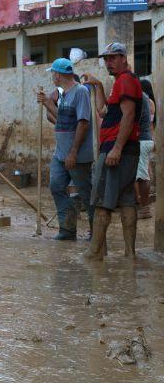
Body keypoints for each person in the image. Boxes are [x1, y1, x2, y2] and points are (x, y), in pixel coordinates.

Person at [82, 42, 142, 260]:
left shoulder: (126, 80)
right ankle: (130, 255)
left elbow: (128, 115)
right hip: (127, 150)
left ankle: (94, 254)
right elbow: (103, 111)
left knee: (101, 202)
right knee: (127, 200)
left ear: (124, 58)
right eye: (106, 59)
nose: (109, 62)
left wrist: (116, 148)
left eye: (113, 58)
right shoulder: (123, 82)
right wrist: (97, 85)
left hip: (116, 150)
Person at [37, 58, 94, 241]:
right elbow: (61, 118)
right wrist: (47, 102)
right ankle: (68, 230)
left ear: (58, 74)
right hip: (60, 153)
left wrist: (73, 151)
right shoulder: (63, 93)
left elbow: (83, 123)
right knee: (56, 186)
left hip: (76, 155)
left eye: (53, 73)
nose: (52, 77)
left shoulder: (80, 92)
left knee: (86, 193)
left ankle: (97, 233)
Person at [136, 79, 155, 219]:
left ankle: (144, 207)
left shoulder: (142, 99)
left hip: (143, 139)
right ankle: (144, 202)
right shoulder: (151, 102)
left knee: (141, 175)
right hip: (149, 137)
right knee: (145, 171)